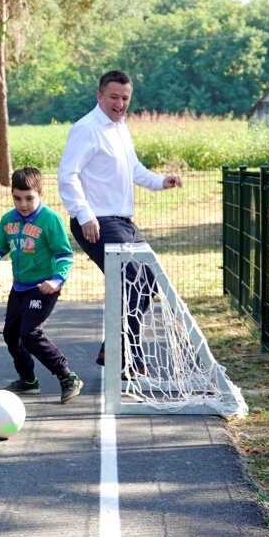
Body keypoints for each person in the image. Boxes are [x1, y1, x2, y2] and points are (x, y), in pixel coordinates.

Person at [57, 70, 182, 373]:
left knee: (147, 280)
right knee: (130, 281)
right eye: (113, 96)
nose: (120, 103)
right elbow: (67, 175)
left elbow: (133, 167)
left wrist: (159, 181)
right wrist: (84, 215)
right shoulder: (87, 129)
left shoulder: (121, 127)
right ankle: (127, 355)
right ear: (99, 96)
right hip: (97, 221)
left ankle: (114, 348)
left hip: (123, 221)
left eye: (125, 98)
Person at [0, 167, 83, 404]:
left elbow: (65, 255)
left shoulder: (50, 220)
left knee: (30, 333)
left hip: (43, 287)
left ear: (41, 194)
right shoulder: (8, 220)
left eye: (29, 198)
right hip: (19, 287)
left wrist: (56, 280)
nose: (23, 204)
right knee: (12, 335)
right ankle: (28, 381)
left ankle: (67, 376)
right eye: (17, 198)